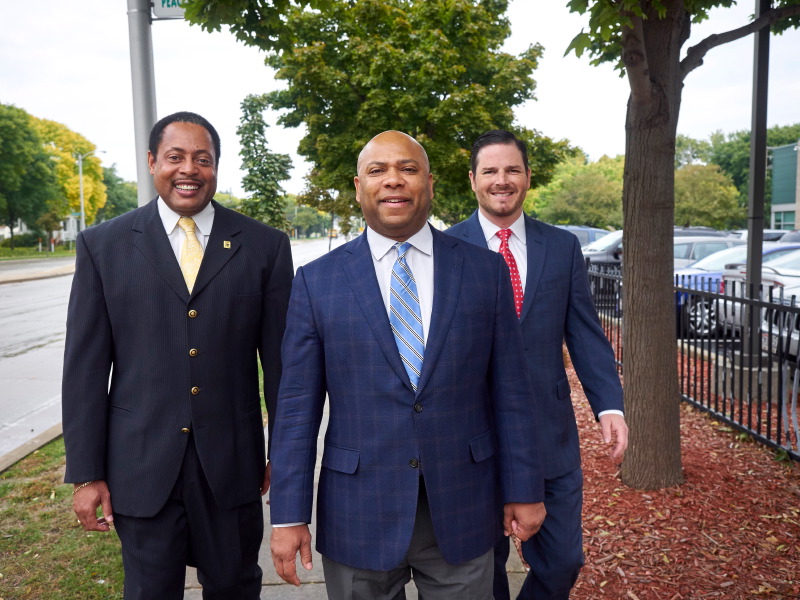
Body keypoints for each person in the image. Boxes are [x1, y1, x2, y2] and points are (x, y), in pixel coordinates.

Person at [268, 130, 546, 599]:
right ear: (359, 187)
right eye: (377, 170)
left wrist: (524, 488)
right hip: (358, 513)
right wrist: (288, 515)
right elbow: (296, 408)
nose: (393, 180)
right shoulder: (317, 282)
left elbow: (512, 393)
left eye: (408, 169)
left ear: (430, 184)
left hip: (462, 507)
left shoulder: (484, 271)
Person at [62, 111, 294, 599]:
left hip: (233, 466)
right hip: (140, 469)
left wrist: (285, 457)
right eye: (175, 157)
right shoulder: (102, 246)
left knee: (234, 588)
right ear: (152, 162)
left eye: (202, 159)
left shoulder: (265, 247)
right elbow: (84, 371)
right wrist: (86, 473)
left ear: (216, 167)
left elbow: (281, 368)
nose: (189, 169)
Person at [447, 130, 629, 600]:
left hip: (549, 434)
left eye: (512, 170)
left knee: (564, 560)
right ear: (473, 180)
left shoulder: (561, 247)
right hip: (472, 438)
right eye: (490, 171)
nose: (501, 180)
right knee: (481, 572)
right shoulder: (445, 248)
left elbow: (584, 333)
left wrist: (609, 405)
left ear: (528, 176)